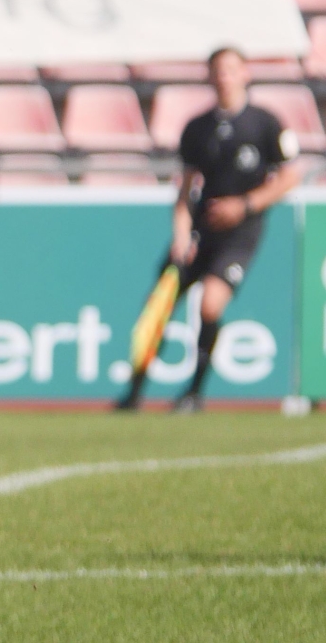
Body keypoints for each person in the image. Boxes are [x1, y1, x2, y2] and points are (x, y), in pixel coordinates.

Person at [116, 46, 301, 413]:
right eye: (217, 70)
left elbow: (289, 177)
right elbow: (185, 190)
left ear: (245, 73)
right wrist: (181, 234)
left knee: (211, 305)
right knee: (159, 304)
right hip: (200, 231)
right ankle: (135, 391)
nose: (224, 76)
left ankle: (194, 393)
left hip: (241, 232)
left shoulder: (265, 123)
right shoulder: (197, 128)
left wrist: (245, 205)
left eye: (231, 69)